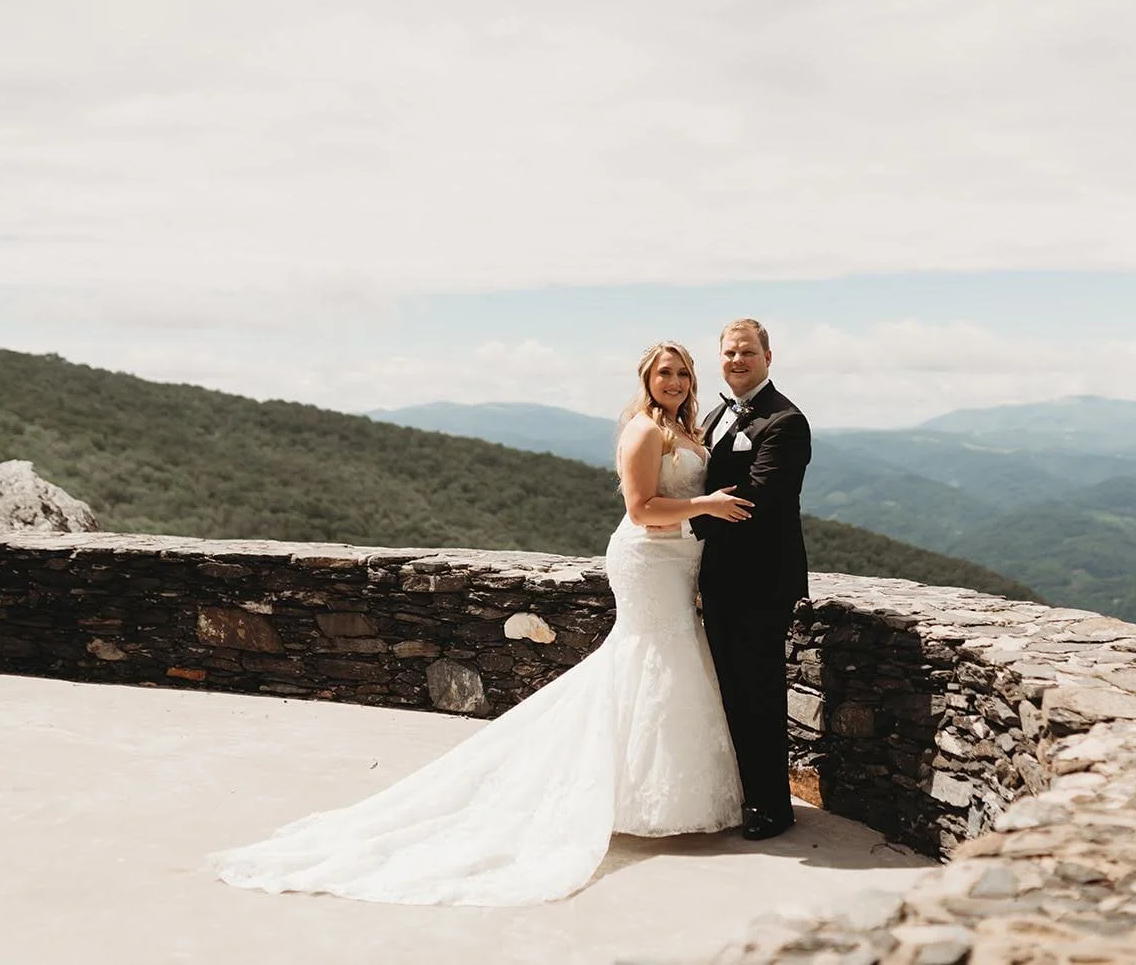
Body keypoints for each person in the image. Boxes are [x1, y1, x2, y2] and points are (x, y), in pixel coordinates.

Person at [210, 342, 753, 906]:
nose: (677, 380)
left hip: (680, 560)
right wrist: (705, 506)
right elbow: (640, 508)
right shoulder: (643, 430)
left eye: (684, 372)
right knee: (650, 660)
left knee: (661, 664)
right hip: (648, 560)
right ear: (646, 380)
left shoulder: (684, 429)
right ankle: (621, 792)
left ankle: (646, 793)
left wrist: (703, 511)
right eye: (666, 372)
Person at [689, 319, 812, 842]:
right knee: (730, 691)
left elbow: (760, 499)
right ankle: (740, 792)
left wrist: (680, 519)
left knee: (759, 691)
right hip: (718, 577)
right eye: (729, 352)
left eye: (747, 352)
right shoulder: (716, 415)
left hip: (762, 580)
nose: (737, 360)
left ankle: (771, 805)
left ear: (768, 356)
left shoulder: (785, 421)